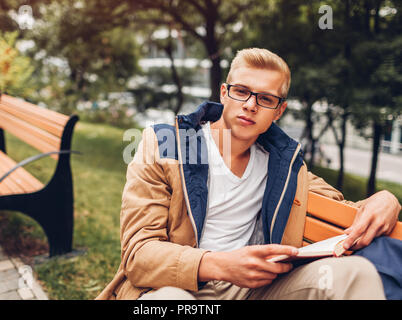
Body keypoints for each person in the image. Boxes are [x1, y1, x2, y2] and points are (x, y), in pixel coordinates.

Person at [96, 48, 401, 300]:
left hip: (253, 291)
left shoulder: (282, 163)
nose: (250, 106)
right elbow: (138, 255)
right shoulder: (171, 145)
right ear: (224, 93)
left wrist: (387, 198)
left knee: (354, 274)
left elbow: (346, 210)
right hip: (176, 287)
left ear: (278, 111)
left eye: (265, 99)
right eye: (242, 92)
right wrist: (218, 264)